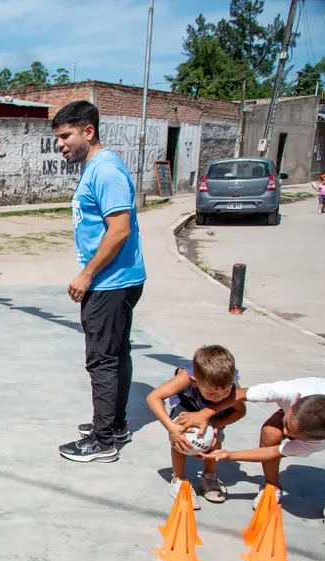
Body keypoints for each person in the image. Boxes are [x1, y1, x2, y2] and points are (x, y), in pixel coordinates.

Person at [52, 101, 147, 464]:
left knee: (102, 361)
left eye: (65, 136)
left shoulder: (105, 171)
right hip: (118, 279)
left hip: (109, 282)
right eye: (58, 137)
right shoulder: (97, 167)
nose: (60, 144)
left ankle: (103, 439)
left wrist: (87, 274)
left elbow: (119, 230)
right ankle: (116, 424)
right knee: (116, 354)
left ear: (88, 131)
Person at [175, 378, 325, 534]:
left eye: (294, 434)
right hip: (316, 399)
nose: (285, 433)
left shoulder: (319, 442)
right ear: (294, 402)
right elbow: (240, 394)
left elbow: (274, 452)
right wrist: (205, 413)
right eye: (287, 424)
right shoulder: (286, 391)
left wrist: (229, 455)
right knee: (271, 433)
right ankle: (272, 485)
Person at [144, 345, 245, 508]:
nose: (219, 398)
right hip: (186, 407)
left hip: (213, 415)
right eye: (212, 394)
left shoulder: (229, 382)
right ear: (195, 382)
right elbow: (153, 397)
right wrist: (172, 429)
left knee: (215, 438)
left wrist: (215, 425)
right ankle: (179, 479)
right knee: (181, 437)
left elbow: (240, 411)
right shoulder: (186, 377)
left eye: (225, 393)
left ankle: (209, 476)